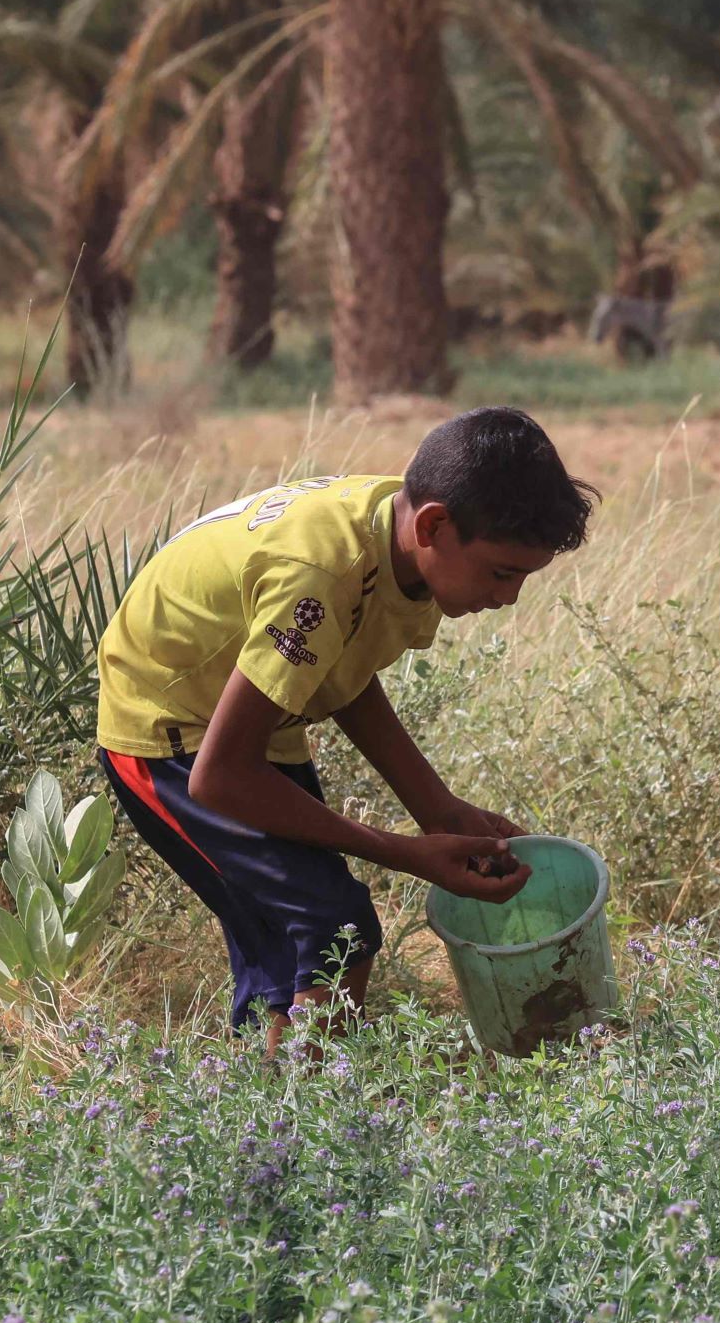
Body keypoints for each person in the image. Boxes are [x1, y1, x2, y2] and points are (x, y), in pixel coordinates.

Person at [96, 408, 596, 1049]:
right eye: (502, 572)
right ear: (435, 525)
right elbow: (219, 777)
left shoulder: (401, 540)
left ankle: (275, 1124)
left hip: (249, 726)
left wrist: (435, 808)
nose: (509, 598)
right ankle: (307, 1121)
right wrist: (405, 853)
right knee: (334, 925)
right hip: (168, 732)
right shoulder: (324, 571)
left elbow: (345, 670)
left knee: (302, 937)